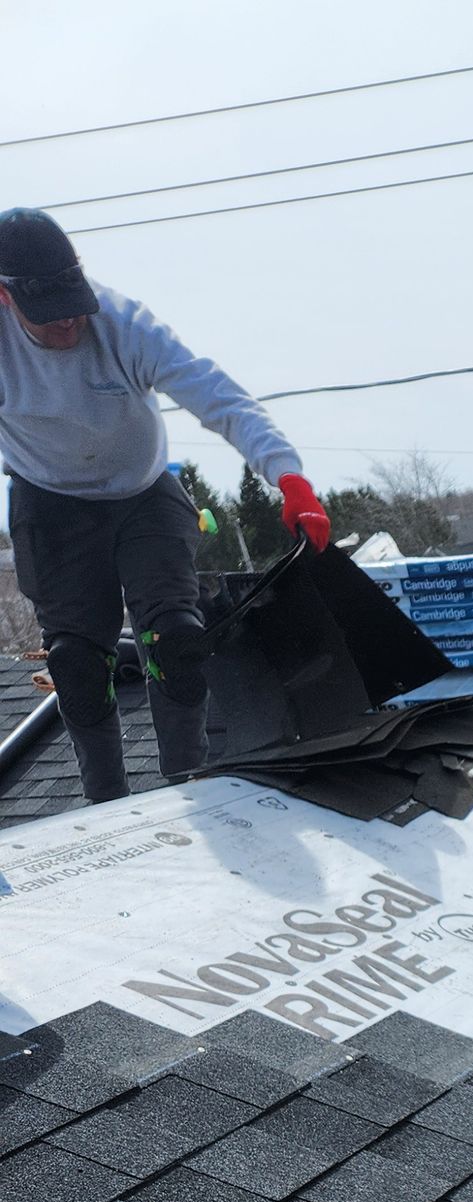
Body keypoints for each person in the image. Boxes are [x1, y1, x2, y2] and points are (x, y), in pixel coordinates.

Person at [0, 207, 330, 803]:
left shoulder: (124, 325)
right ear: (4, 297)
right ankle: (109, 807)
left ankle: (187, 789)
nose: (70, 322)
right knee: (76, 665)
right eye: (50, 315)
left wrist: (289, 479)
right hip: (49, 506)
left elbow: (219, 396)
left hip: (143, 497)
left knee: (176, 642)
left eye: (75, 303)